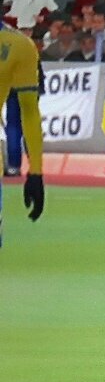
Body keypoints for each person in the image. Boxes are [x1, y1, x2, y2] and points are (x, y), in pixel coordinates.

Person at [0, 23, 45, 246]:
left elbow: (29, 110)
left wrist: (36, 172)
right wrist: (36, 172)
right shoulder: (19, 44)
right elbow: (29, 111)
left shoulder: (20, 45)